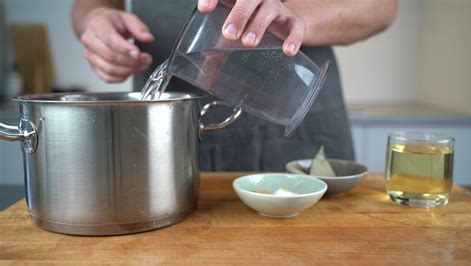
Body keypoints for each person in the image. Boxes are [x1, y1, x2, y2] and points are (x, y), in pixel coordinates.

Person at [72, 0, 397, 171]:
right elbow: (88, 4)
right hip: (168, 129)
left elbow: (381, 5)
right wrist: (94, 19)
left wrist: (285, 20)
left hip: (297, 107)